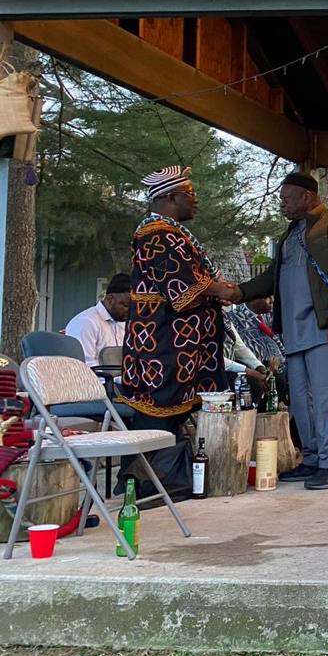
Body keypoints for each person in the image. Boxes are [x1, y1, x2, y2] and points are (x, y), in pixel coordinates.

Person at [238, 171, 328, 491]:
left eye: (287, 198)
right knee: (300, 400)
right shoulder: (290, 233)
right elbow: (271, 277)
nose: (282, 203)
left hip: (325, 326)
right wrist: (237, 292)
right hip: (294, 332)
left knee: (326, 398)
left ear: (307, 197)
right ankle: (312, 458)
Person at [120, 166, 240, 490]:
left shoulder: (171, 231)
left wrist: (217, 290)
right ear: (171, 198)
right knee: (158, 411)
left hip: (178, 345)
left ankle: (162, 479)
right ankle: (139, 482)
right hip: (162, 343)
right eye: (190, 194)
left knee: (172, 412)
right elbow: (181, 285)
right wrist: (223, 290)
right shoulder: (156, 234)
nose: (195, 199)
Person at [65, 272, 130, 367]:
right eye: (126, 305)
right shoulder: (86, 322)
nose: (131, 311)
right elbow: (84, 365)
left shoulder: (124, 323)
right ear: (110, 299)